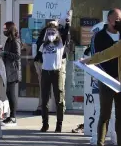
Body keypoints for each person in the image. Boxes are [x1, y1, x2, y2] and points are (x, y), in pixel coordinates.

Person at [80, 9, 121, 146]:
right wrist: (89, 61)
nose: (119, 22)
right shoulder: (99, 36)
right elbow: (103, 55)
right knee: (105, 114)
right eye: (117, 19)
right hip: (106, 80)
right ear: (109, 20)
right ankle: (100, 142)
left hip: (120, 81)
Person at [39, 17, 70, 133]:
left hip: (56, 72)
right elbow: (43, 33)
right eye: (49, 31)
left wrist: (66, 23)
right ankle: (45, 124)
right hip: (45, 72)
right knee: (44, 100)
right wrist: (48, 26)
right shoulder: (44, 45)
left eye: (54, 31)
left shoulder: (60, 43)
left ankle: (59, 125)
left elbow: (66, 34)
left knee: (59, 100)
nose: (51, 33)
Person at [0, 21, 21, 126]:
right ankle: (11, 116)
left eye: (5, 28)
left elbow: (17, 56)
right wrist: (2, 52)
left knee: (11, 94)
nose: (4, 30)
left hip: (13, 71)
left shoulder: (15, 41)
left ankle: (13, 117)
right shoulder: (9, 40)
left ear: (10, 29)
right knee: (8, 93)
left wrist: (5, 53)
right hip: (8, 70)